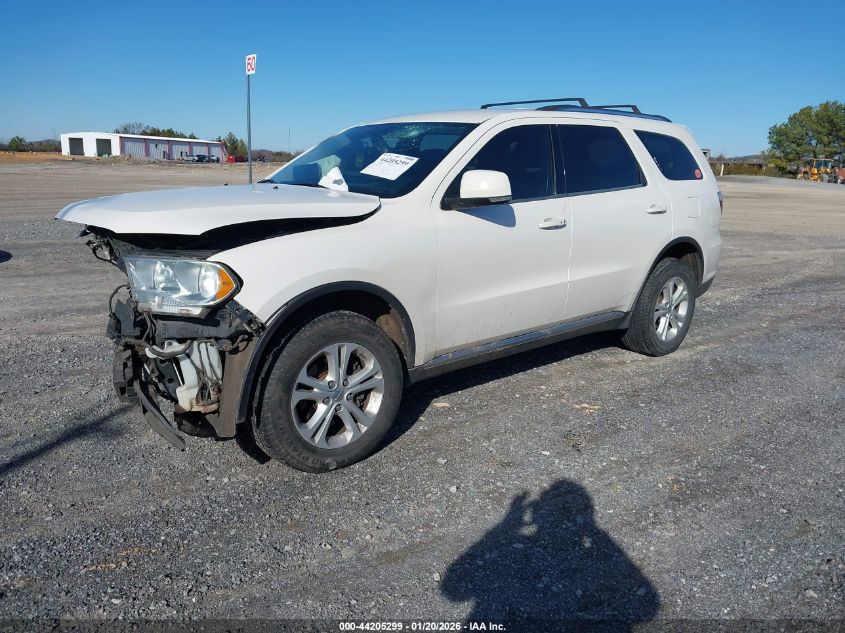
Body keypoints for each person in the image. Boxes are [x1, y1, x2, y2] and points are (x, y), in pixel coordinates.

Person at [441, 479, 659, 630]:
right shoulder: (584, 547)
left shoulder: (515, 543)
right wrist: (593, 531)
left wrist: (505, 526)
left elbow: (452, 589)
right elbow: (647, 607)